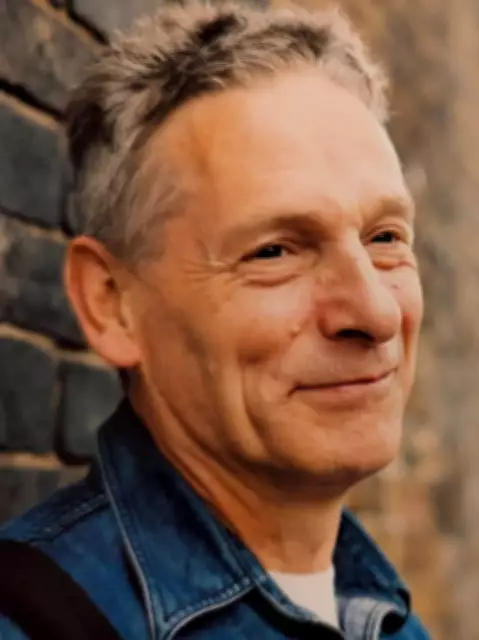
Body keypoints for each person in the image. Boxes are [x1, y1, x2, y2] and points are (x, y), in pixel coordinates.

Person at [0, 2, 428, 638]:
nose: (376, 312)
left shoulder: (386, 617)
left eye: (385, 237)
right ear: (111, 303)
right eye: (275, 251)